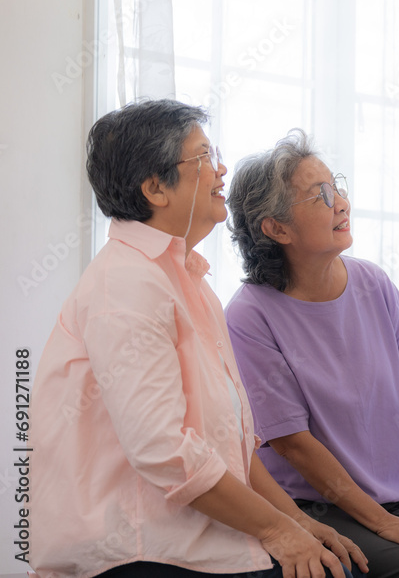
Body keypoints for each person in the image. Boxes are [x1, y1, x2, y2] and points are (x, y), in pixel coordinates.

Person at [28, 100, 366, 578]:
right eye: (204, 157)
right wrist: (277, 531)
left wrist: (296, 521)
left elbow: (233, 451)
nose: (221, 169)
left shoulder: (187, 278)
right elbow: (164, 450)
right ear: (155, 189)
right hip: (135, 548)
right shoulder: (124, 283)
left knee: (338, 563)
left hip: (193, 535)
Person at [223, 132, 399, 578]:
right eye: (319, 196)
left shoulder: (373, 284)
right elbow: (293, 444)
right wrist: (383, 523)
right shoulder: (249, 316)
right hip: (317, 506)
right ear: (276, 228)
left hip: (396, 498)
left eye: (336, 186)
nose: (340, 202)